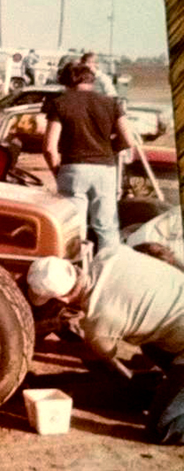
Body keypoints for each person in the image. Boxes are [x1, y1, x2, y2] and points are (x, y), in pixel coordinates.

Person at [26, 247, 184, 445]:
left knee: (162, 428)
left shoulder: (99, 322)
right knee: (147, 335)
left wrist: (43, 346)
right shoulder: (109, 254)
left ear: (61, 299)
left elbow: (98, 354)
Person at [42, 61, 136, 251]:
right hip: (105, 169)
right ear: (92, 81)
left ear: (66, 82)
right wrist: (108, 150)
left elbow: (49, 148)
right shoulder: (112, 103)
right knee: (107, 226)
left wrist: (57, 171)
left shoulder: (59, 103)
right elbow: (128, 140)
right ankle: (109, 263)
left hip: (73, 168)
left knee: (73, 228)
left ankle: (75, 265)